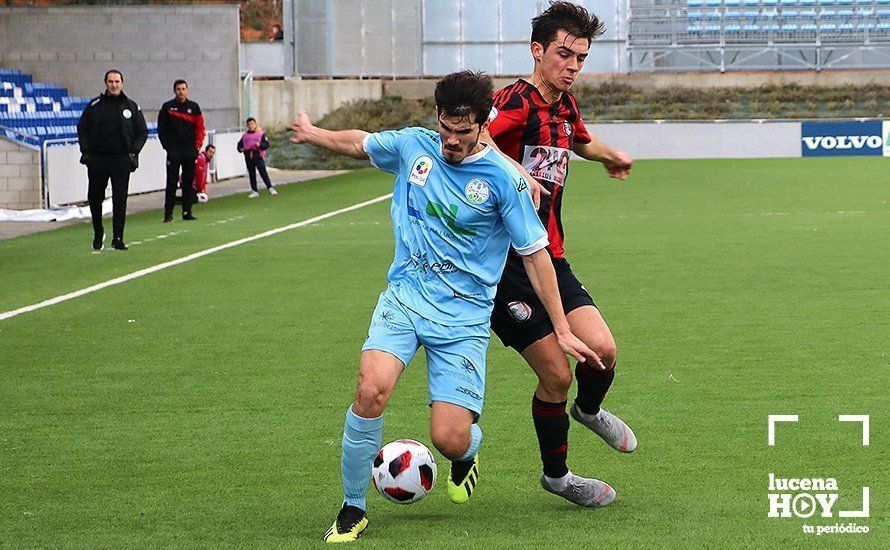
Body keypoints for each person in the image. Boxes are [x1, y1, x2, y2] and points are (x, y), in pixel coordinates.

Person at [290, 71, 596, 543]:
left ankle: (467, 453)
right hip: (405, 299)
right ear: (437, 116)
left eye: (463, 131)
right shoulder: (415, 146)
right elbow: (361, 143)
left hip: (465, 318)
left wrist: (561, 326)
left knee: (449, 438)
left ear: (481, 127)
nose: (451, 141)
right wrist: (315, 134)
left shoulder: (502, 180)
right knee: (370, 391)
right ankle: (353, 506)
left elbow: (536, 255)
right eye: (446, 129)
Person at [482, 1, 637, 507]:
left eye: (581, 58)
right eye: (564, 55)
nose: (572, 66)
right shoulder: (513, 102)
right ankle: (558, 477)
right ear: (538, 51)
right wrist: (515, 173)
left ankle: (588, 412)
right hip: (503, 266)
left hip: (551, 254)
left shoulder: (565, 105)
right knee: (556, 374)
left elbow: (579, 143)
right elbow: (467, 139)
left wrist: (608, 155)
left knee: (605, 351)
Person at [77, 69, 148, 251]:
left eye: (117, 81)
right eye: (110, 81)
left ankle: (118, 237)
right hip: (98, 159)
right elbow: (82, 129)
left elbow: (142, 132)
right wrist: (86, 152)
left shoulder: (131, 106)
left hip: (121, 159)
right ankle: (98, 231)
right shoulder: (95, 105)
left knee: (120, 199)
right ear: (105, 83)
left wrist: (133, 152)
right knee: (94, 197)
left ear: (122, 83)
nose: (114, 85)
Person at [158, 79, 205, 222]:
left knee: (188, 182)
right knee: (171, 182)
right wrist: (167, 146)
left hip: (189, 151)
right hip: (174, 151)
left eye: (183, 89)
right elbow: (162, 129)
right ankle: (168, 214)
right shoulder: (167, 107)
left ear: (187, 90)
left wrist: (197, 147)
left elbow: (200, 129)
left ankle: (187, 211)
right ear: (174, 91)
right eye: (178, 89)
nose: (181, 92)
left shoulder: (194, 107)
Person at [237, 118, 277, 198]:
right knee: (252, 174)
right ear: (247, 126)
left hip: (257, 155)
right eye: (249, 124)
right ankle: (254, 190)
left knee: (263, 172)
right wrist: (240, 149)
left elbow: (266, 145)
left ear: (255, 124)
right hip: (248, 156)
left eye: (252, 124)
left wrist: (260, 145)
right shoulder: (245, 135)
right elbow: (239, 145)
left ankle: (270, 187)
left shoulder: (260, 134)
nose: (251, 126)